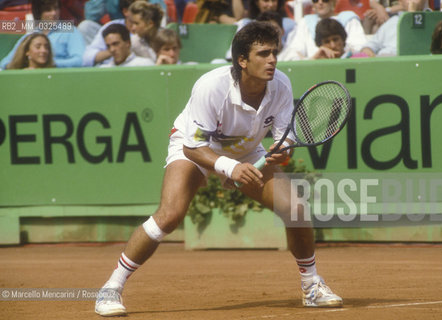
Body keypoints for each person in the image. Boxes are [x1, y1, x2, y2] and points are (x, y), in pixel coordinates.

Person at [94, 21, 343, 317]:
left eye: (274, 52)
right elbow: (193, 147)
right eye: (263, 53)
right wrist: (229, 168)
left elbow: (284, 136)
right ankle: (111, 286)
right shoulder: (211, 87)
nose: (272, 59)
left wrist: (283, 150)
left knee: (296, 209)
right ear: (242, 60)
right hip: (195, 146)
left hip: (248, 150)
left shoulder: (281, 85)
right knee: (169, 215)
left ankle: (311, 285)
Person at [0, 0, 85, 69]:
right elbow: (5, 63)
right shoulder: (31, 35)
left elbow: (80, 60)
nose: (54, 13)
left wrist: (49, 64)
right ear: (39, 12)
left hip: (60, 77)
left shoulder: (71, 30)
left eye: (56, 9)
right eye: (48, 10)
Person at [278, 0, 367, 61]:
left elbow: (360, 47)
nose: (320, 3)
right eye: (316, 0)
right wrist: (313, 59)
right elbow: (294, 52)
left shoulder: (349, 18)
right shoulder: (305, 22)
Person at [82, 0, 142, 67]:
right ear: (126, 11)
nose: (142, 13)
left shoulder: (149, 26)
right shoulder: (112, 28)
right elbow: (86, 59)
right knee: (85, 26)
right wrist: (114, 50)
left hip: (139, 65)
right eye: (137, 10)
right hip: (113, 67)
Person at [78, 0, 166, 44]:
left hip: (143, 33)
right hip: (116, 33)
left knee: (159, 30)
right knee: (85, 26)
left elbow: (159, 15)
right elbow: (90, 15)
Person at [360, 0, 427, 57]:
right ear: (400, 2)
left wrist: (412, 13)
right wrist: (367, 50)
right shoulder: (392, 22)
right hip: (385, 62)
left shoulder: (431, 20)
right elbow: (371, 45)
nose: (412, 2)